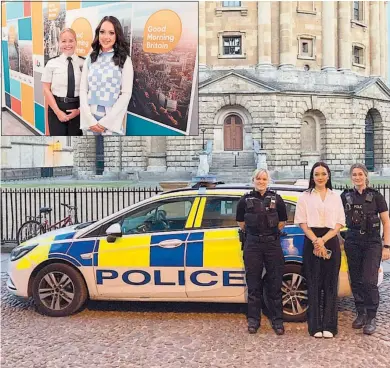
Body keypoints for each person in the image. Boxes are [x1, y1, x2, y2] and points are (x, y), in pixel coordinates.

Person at [294, 162, 345, 338]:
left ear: (328, 176)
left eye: (323, 174)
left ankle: (330, 326)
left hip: (330, 239)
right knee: (314, 284)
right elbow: (302, 221)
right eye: (317, 174)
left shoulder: (335, 196)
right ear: (312, 177)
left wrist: (323, 240)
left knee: (330, 285)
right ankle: (315, 326)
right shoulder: (305, 196)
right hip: (311, 239)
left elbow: (339, 222)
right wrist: (316, 240)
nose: (320, 177)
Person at [236, 169, 287, 335]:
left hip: (272, 243)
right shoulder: (244, 200)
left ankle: (277, 320)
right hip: (253, 244)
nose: (261, 181)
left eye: (264, 179)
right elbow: (240, 221)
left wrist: (268, 234)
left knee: (275, 283)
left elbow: (282, 221)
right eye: (258, 178)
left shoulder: (276, 199)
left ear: (268, 181)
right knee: (253, 284)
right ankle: (253, 320)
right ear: (253, 180)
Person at [341, 163, 390, 335]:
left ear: (366, 176)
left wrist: (387, 245)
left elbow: (386, 221)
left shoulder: (376, 196)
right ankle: (360, 313)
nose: (357, 177)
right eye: (354, 174)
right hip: (353, 241)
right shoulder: (345, 196)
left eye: (360, 174)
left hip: (372, 242)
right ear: (351, 177)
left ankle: (371, 316)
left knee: (369, 280)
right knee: (356, 280)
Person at [80, 16, 134, 135]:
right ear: (98, 34)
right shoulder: (90, 58)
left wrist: (105, 122)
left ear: (117, 35)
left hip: (112, 123)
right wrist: (89, 119)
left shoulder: (124, 60)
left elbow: (126, 94)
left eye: (111, 33)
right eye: (102, 32)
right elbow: (83, 89)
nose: (106, 37)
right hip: (90, 121)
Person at [41, 28, 84, 136]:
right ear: (59, 43)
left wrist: (79, 111)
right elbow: (46, 90)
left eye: (71, 40)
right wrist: (57, 112)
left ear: (76, 42)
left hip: (77, 107)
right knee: (58, 144)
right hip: (57, 106)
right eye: (64, 41)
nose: (67, 44)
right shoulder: (51, 63)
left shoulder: (84, 63)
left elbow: (88, 90)